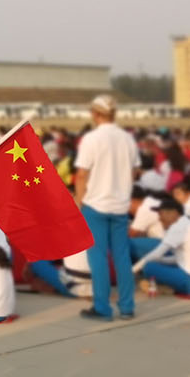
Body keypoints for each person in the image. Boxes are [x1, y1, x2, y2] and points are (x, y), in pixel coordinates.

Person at [73, 94, 142, 321]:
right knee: (122, 257)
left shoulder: (92, 139)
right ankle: (127, 306)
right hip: (120, 205)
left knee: (98, 258)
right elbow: (135, 171)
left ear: (95, 114)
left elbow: (81, 174)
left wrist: (80, 200)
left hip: (96, 204)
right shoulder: (127, 138)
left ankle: (102, 307)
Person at [131, 200, 190, 296]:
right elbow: (180, 259)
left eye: (161, 214)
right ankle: (166, 285)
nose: (159, 218)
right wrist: (161, 260)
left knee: (149, 267)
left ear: (175, 213)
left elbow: (156, 254)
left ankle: (164, 286)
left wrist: (133, 270)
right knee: (155, 262)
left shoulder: (178, 226)